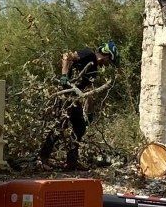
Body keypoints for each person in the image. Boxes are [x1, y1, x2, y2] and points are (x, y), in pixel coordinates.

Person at [38, 41, 120, 170]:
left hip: (75, 99)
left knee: (80, 127)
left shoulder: (94, 70)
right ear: (106, 55)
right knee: (60, 127)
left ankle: (71, 162)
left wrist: (89, 112)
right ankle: (42, 159)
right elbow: (66, 56)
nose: (107, 64)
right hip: (66, 96)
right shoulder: (88, 54)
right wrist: (64, 76)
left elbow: (88, 92)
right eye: (109, 61)